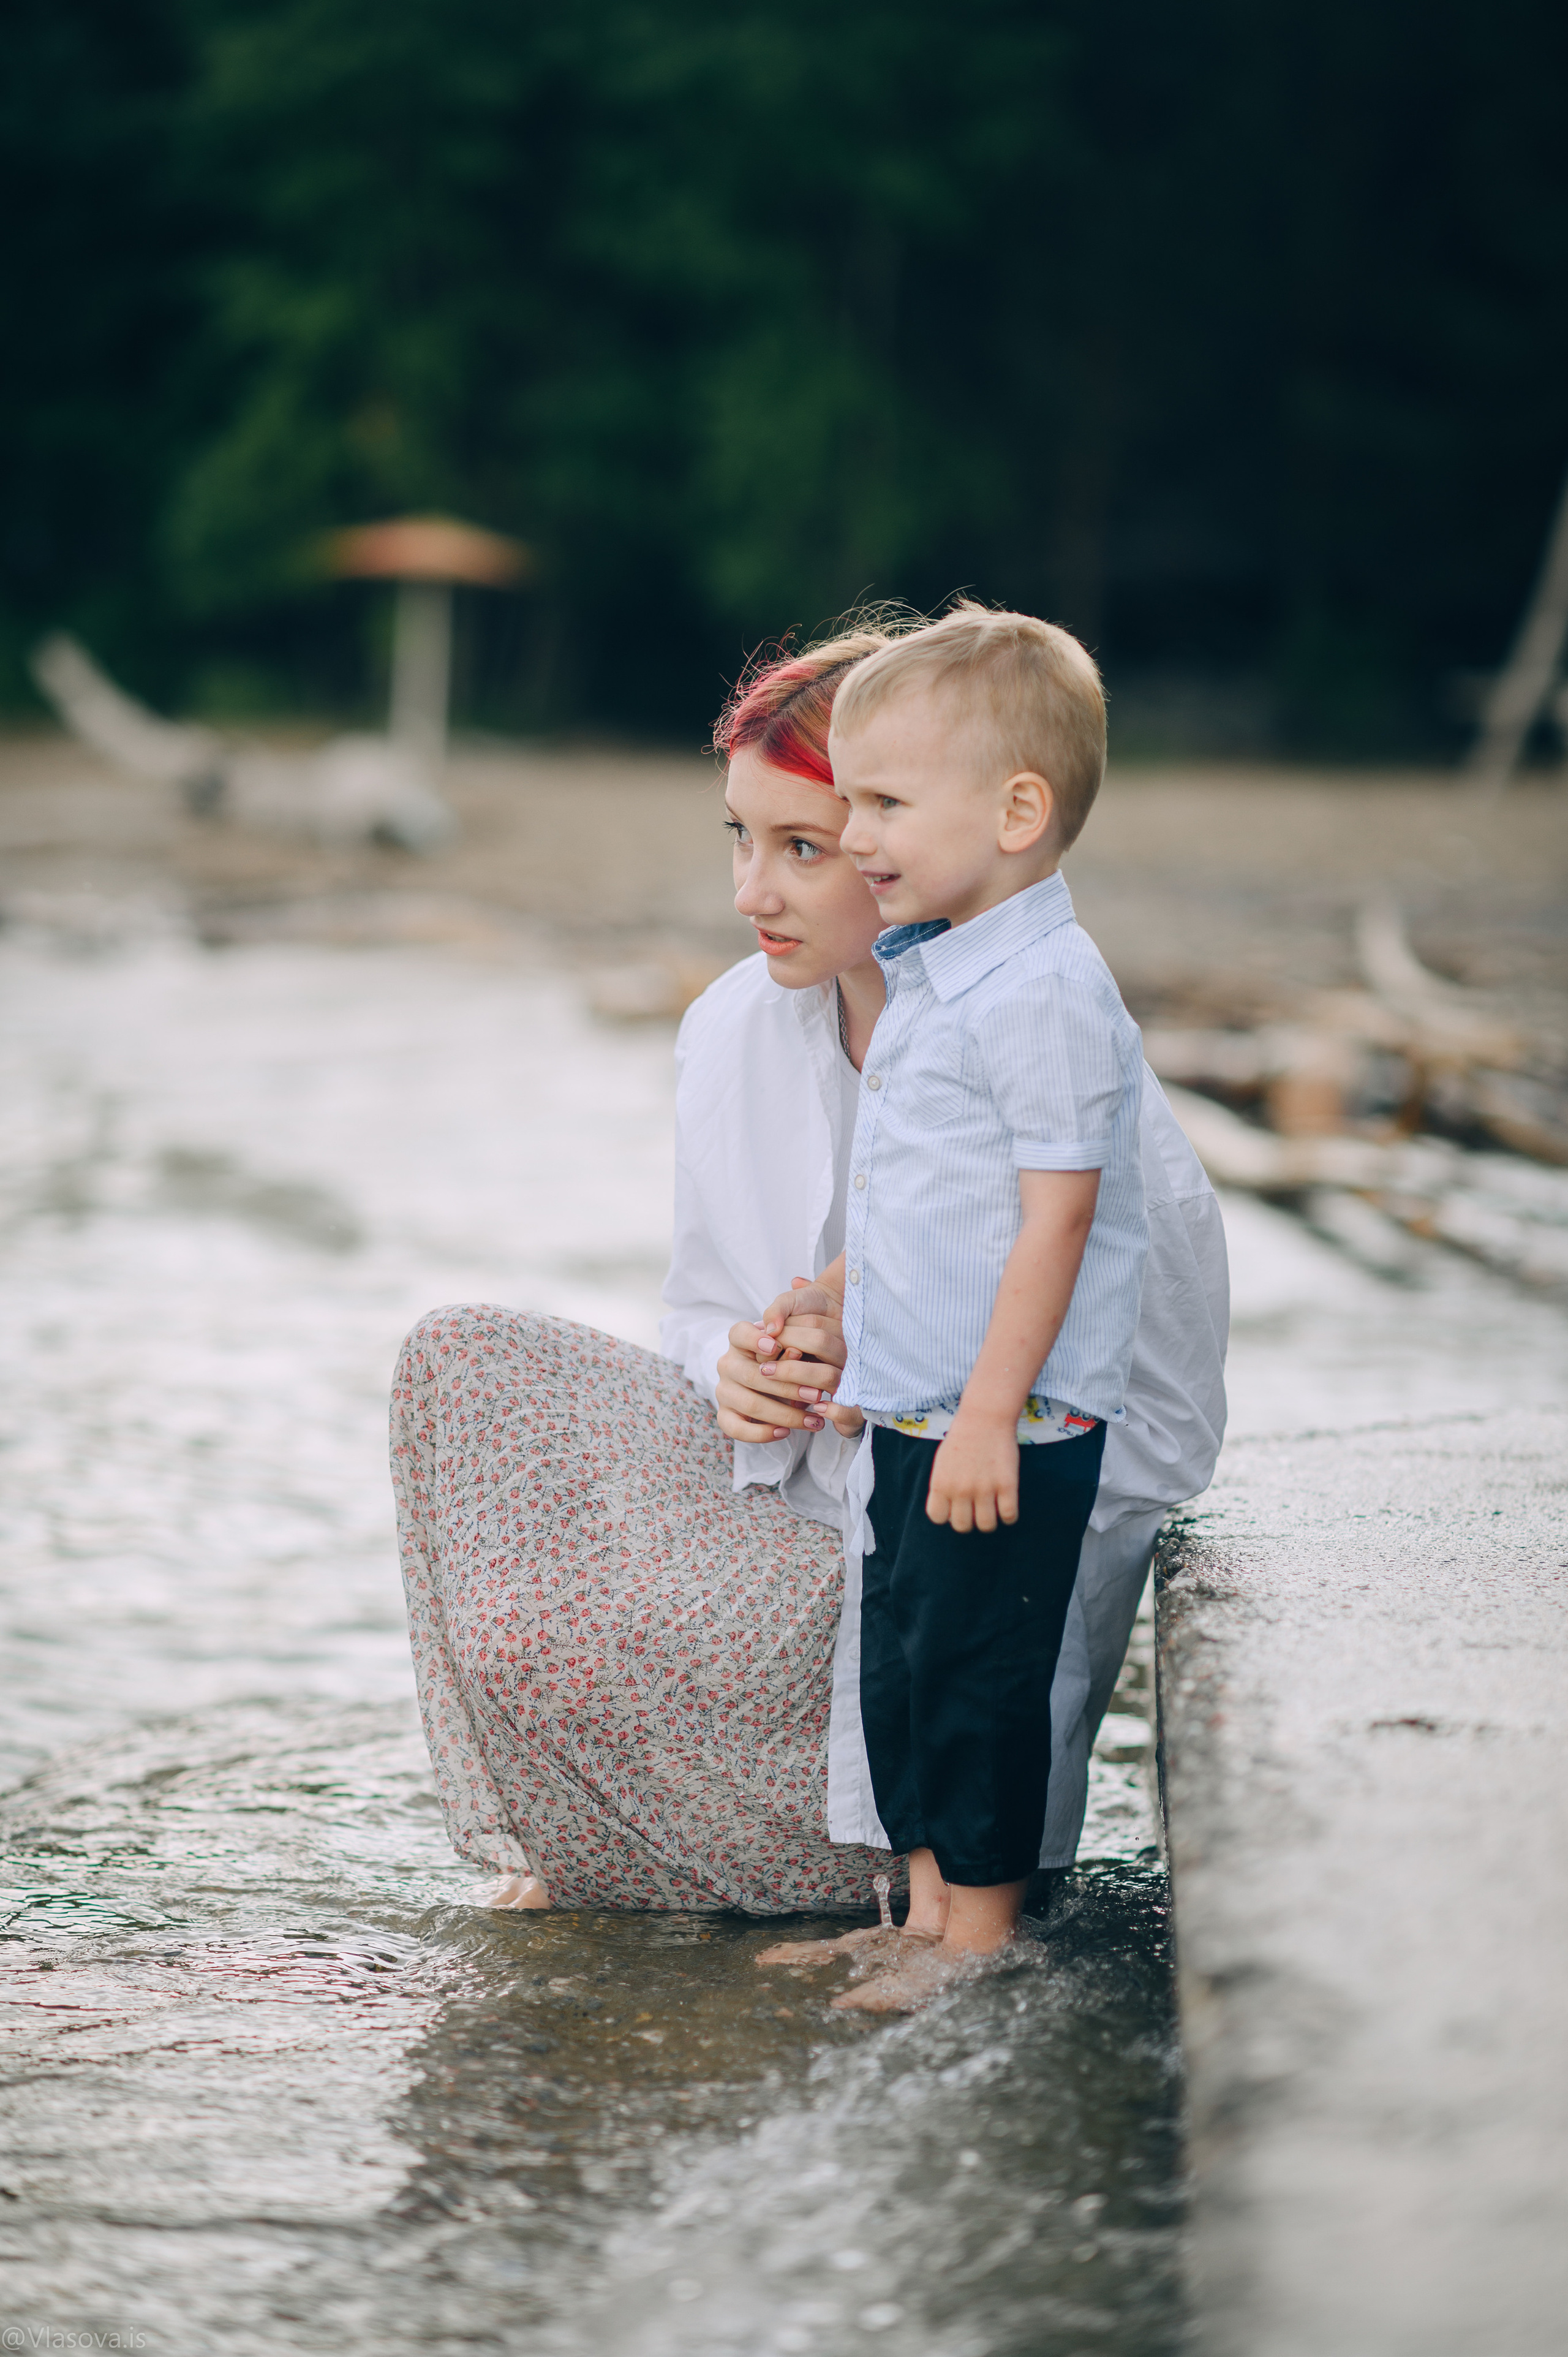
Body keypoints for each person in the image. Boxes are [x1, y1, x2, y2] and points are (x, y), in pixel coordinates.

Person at [389, 620, 1226, 1918]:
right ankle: (585, 1834)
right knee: (460, 1364)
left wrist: (898, 1389)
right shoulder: (732, 1025)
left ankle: (861, 1870)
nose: (749, 893)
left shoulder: (1046, 1040)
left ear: (919, 839)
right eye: (738, 836)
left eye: (804, 845)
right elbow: (698, 1307)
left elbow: (1155, 1420)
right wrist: (739, 1369)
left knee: (592, 1633)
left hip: (953, 1540)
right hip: (790, 1490)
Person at [741, 603, 1156, 2012]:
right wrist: (840, 1304)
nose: (854, 833)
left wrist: (986, 1413)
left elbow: (1056, 1218)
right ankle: (920, 1920)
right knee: (908, 1667)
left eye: (883, 804)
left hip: (1007, 1423)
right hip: (920, 1406)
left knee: (979, 1675)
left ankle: (979, 1942)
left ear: (1016, 813)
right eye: (848, 802)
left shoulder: (1044, 990)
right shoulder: (935, 969)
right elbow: (931, 1197)